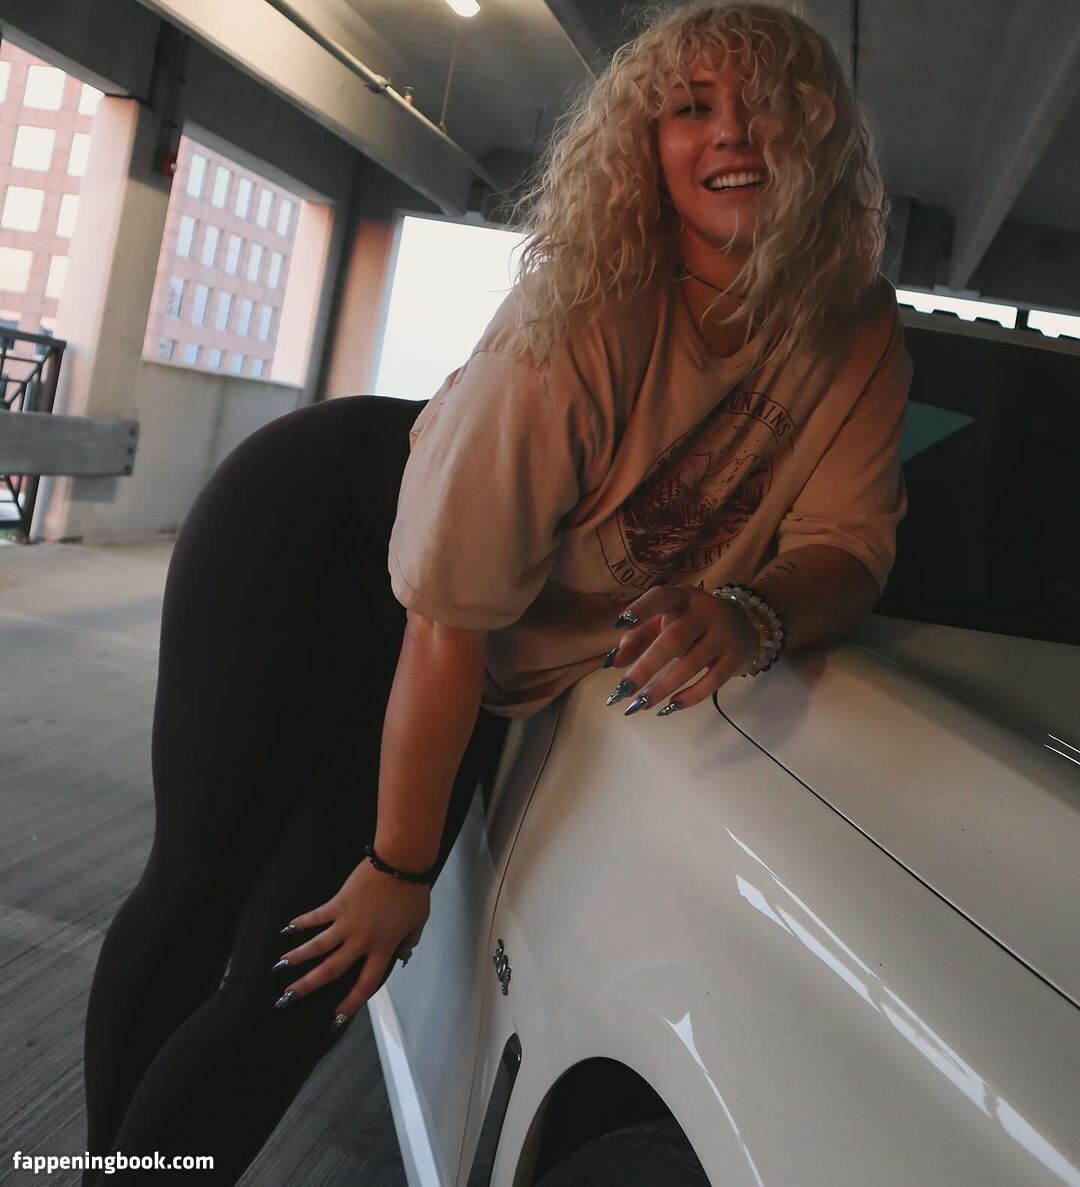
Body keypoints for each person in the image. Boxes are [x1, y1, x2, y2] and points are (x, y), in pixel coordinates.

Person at [80, 1, 912, 1181]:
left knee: (301, 980)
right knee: (198, 887)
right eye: (692, 108)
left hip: (483, 636)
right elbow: (444, 616)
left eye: (767, 104)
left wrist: (750, 612)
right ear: (648, 144)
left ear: (820, 129)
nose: (733, 132)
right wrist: (399, 866)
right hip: (319, 545)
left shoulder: (857, 332)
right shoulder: (588, 303)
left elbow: (846, 547)